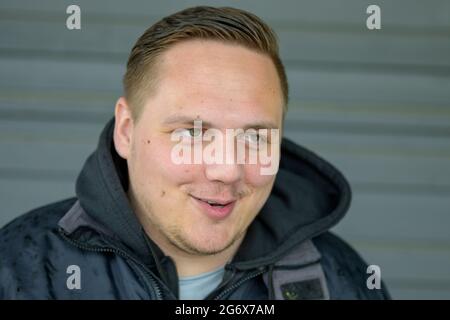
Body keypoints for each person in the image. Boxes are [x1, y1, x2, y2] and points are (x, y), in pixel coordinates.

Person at [0, 6, 389, 300]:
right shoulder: (21, 270)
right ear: (126, 130)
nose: (226, 170)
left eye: (255, 137)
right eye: (191, 132)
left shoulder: (343, 281)